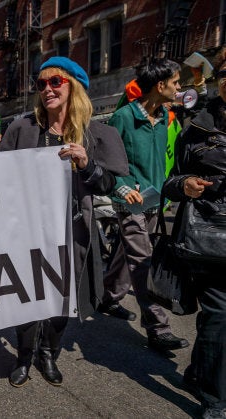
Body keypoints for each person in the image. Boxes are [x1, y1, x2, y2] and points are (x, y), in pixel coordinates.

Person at [0, 56, 128, 388]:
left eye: (55, 82)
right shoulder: (22, 127)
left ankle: (48, 354)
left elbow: (109, 185)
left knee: (62, 298)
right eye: (41, 84)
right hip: (27, 230)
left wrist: (87, 165)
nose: (46, 89)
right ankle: (24, 356)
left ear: (76, 87)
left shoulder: (98, 133)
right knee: (25, 296)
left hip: (73, 230)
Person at [98, 58, 190, 352]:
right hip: (129, 201)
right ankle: (158, 328)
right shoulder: (123, 117)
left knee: (126, 253)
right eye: (176, 83)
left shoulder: (164, 117)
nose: (179, 88)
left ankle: (109, 297)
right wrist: (124, 188)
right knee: (142, 259)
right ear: (160, 85)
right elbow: (108, 161)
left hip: (154, 201)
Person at [162, 47, 226, 419]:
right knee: (219, 312)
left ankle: (195, 373)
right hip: (211, 236)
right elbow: (168, 181)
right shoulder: (197, 125)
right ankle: (216, 401)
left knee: (217, 318)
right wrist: (185, 183)